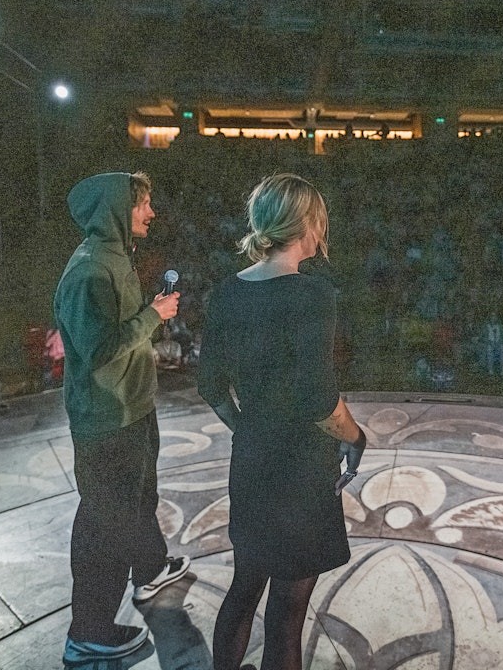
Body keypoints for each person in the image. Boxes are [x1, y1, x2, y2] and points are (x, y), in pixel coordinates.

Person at [198, 173, 367, 670]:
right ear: (307, 224)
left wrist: (249, 428)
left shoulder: (227, 292)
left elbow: (210, 385)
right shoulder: (312, 295)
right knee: (287, 613)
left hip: (251, 459)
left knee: (243, 588)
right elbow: (320, 400)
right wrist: (356, 436)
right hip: (299, 471)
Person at [53, 171, 192, 665]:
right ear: (116, 210)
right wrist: (154, 315)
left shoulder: (115, 258)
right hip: (107, 421)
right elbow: (99, 352)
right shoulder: (91, 271)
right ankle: (87, 633)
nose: (151, 213)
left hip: (131, 408)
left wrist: (150, 314)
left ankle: (151, 567)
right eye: (143, 205)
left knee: (136, 502)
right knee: (104, 528)